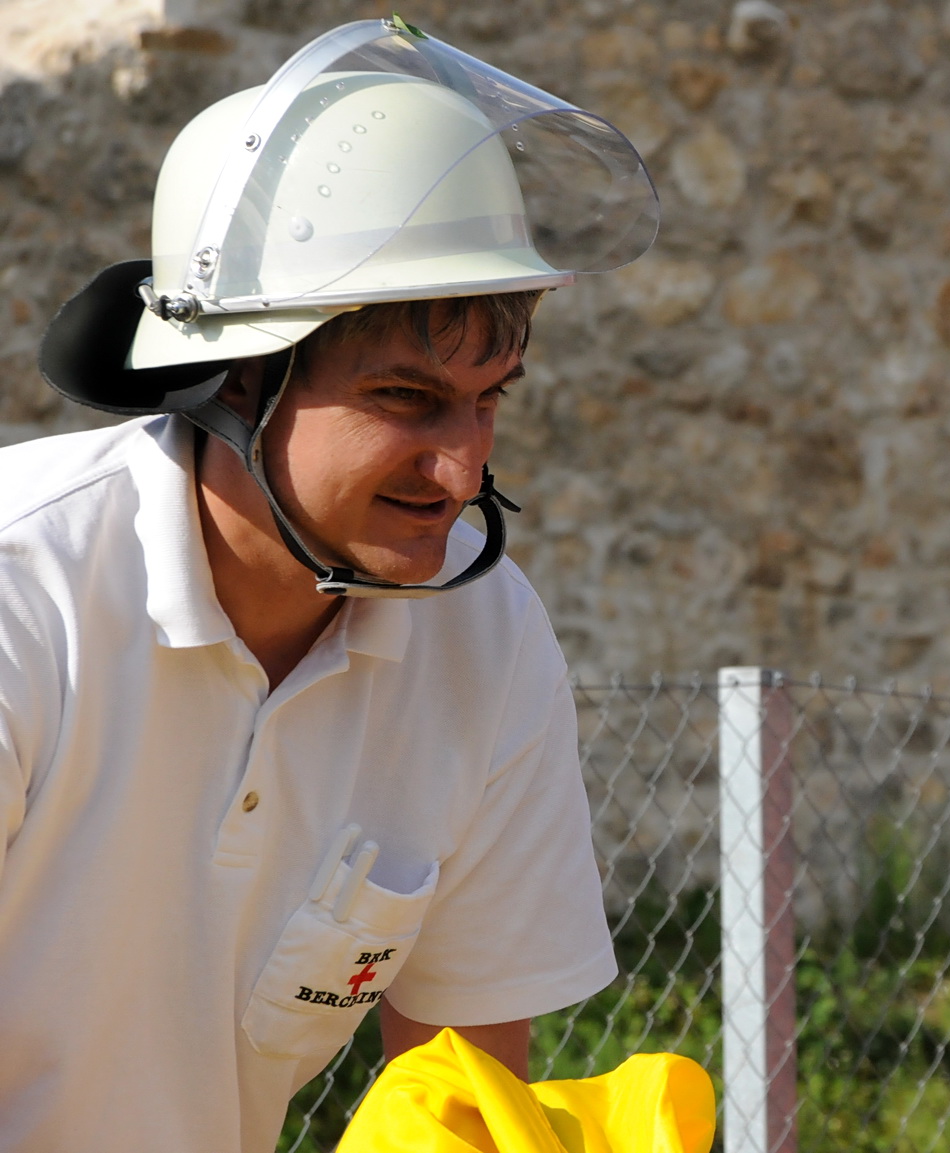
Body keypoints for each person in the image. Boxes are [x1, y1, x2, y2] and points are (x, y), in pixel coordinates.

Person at [0, 18, 659, 1151]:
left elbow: (463, 1101)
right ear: (234, 378)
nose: (460, 469)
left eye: (489, 396)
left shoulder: (484, 635)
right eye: (405, 399)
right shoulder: (24, 591)